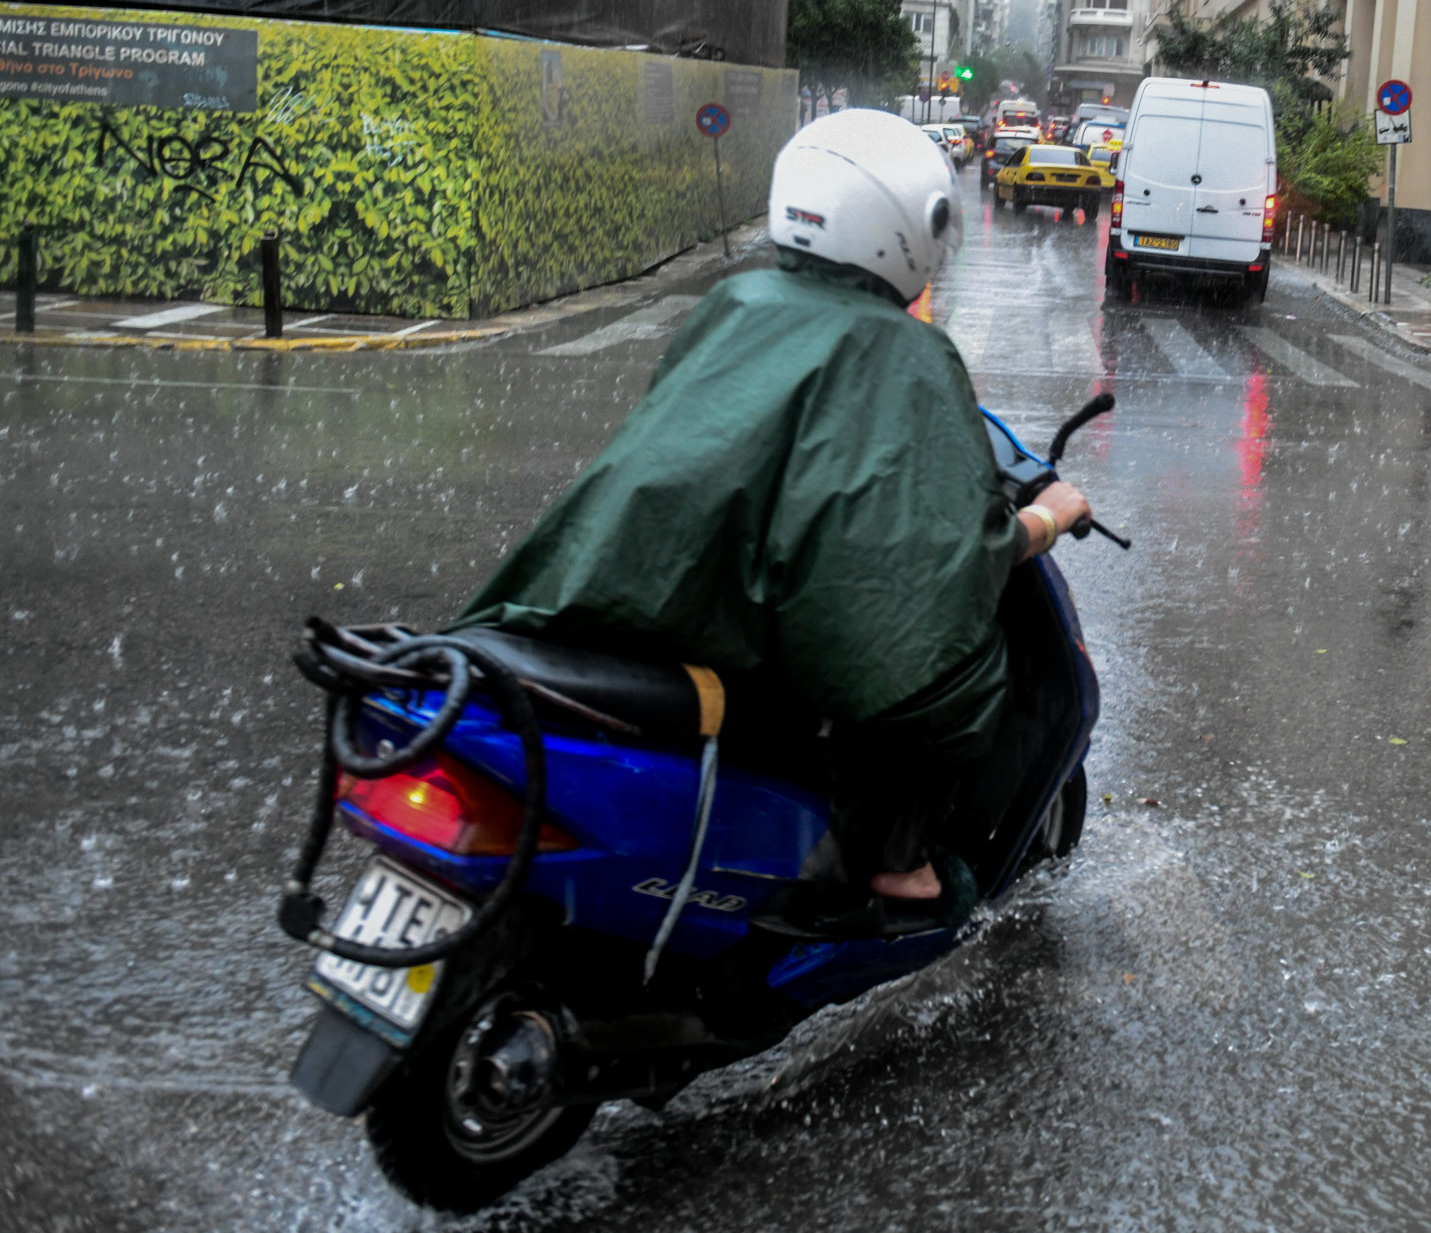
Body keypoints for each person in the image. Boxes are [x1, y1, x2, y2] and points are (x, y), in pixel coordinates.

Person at [455, 110, 1091, 906]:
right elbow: (948, 559)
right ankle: (894, 857)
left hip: (645, 590)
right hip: (755, 621)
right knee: (959, 681)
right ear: (905, 228)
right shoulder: (907, 352)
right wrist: (1051, 517)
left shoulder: (738, 303)